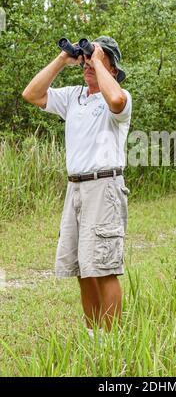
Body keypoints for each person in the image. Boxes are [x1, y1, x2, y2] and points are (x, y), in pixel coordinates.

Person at [22, 36, 132, 338]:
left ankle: (112, 341)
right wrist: (62, 60)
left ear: (111, 66)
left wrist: (98, 61)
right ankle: (94, 336)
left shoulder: (120, 96)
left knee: (104, 267)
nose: (88, 63)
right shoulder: (73, 97)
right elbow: (31, 94)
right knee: (83, 268)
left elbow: (117, 102)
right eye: (87, 57)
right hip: (76, 190)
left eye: (98, 57)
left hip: (104, 186)